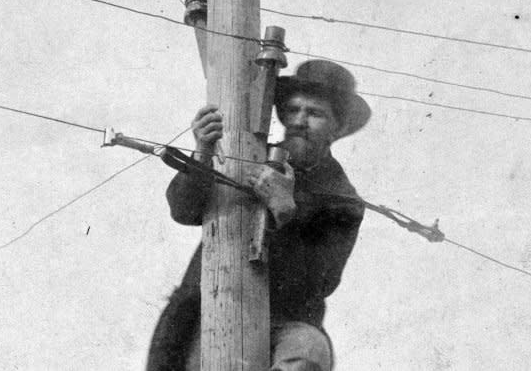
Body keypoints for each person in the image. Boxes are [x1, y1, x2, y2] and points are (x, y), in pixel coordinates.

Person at [146, 60, 370, 371]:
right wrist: (203, 151)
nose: (300, 120)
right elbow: (184, 211)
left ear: (337, 129)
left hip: (286, 321)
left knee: (308, 351)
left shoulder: (343, 201)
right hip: (212, 311)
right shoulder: (248, 153)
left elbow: (324, 281)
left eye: (315, 113)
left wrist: (285, 210)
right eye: (293, 110)